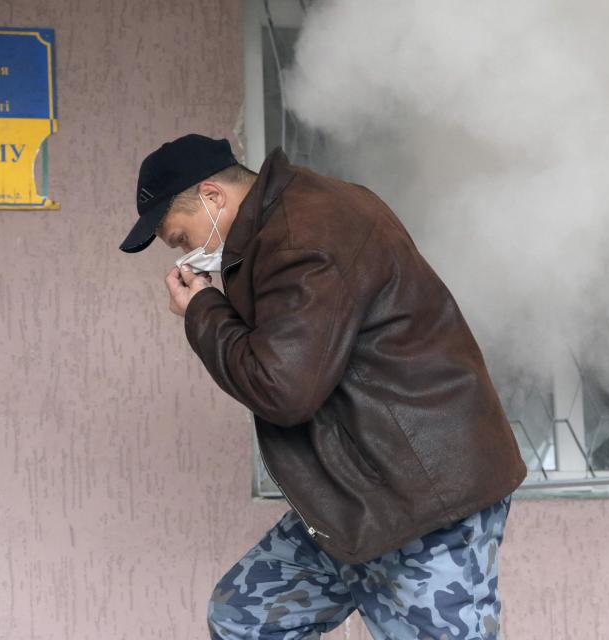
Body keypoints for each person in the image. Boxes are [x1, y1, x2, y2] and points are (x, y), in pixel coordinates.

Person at [120, 133, 527, 639]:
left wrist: (203, 311)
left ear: (213, 196)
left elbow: (282, 390)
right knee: (245, 618)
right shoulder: (285, 220)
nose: (185, 256)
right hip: (357, 494)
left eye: (181, 238)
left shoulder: (301, 237)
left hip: (420, 495)